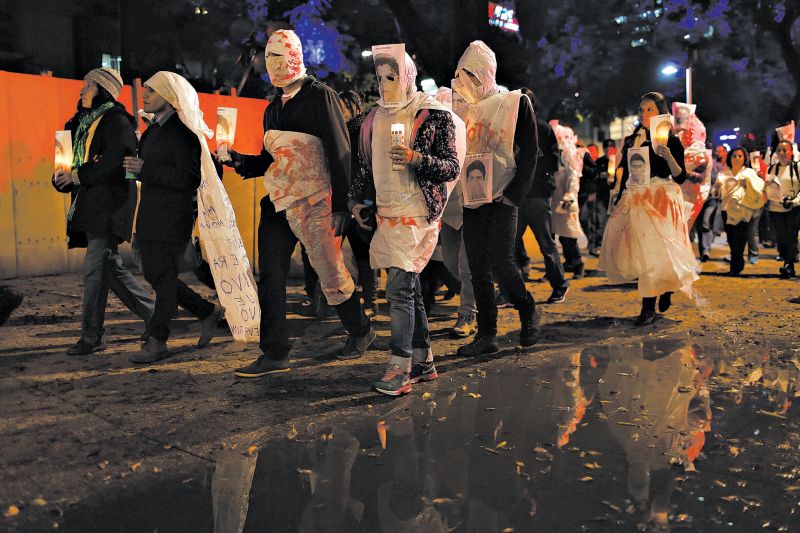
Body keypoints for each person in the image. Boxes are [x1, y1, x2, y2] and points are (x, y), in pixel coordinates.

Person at [223, 30, 374, 377]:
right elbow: (269, 158)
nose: (272, 63)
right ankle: (275, 352)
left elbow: (340, 152)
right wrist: (240, 161)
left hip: (316, 201)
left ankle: (361, 330)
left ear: (294, 55)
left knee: (330, 272)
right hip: (277, 203)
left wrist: (341, 205)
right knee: (271, 276)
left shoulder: (321, 97)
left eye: (279, 55)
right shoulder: (272, 108)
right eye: (268, 56)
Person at [350, 51, 463, 396]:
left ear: (408, 77)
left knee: (398, 288)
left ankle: (400, 368)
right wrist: (355, 200)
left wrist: (416, 158)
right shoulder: (372, 119)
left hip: (417, 215)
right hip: (386, 215)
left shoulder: (432, 114)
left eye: (392, 77)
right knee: (408, 288)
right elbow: (367, 166)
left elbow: (451, 167)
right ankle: (424, 360)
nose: (385, 85)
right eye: (380, 77)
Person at [51, 67, 155, 355]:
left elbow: (113, 164)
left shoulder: (117, 122)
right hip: (89, 203)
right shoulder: (79, 122)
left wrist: (78, 175)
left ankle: (92, 336)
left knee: (94, 271)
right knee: (111, 269)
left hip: (111, 205)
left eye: (88, 86)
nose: (82, 91)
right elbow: (70, 162)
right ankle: (156, 317)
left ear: (103, 90)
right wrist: (62, 177)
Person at [122, 71, 224, 363]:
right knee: (156, 275)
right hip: (150, 212)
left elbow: (190, 177)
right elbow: (148, 169)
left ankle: (157, 340)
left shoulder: (183, 132)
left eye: (152, 91)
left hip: (172, 215)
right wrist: (132, 168)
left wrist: (146, 170)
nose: (145, 95)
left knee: (163, 278)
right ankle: (207, 311)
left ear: (168, 96)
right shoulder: (153, 130)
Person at [451, 40, 540, 356]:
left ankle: (526, 308)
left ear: (487, 73)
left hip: (503, 196)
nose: (469, 82)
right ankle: (487, 334)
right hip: (473, 197)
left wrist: (514, 196)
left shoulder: (515, 103)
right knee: (477, 269)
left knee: (502, 262)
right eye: (465, 75)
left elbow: (530, 152)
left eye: (474, 75)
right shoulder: (460, 106)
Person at [599, 92, 698, 326]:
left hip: (661, 200)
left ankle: (661, 294)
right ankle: (648, 305)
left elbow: (680, 176)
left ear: (661, 113)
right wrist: (620, 193)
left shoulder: (670, 141)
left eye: (649, 109)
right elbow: (625, 170)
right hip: (636, 199)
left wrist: (669, 156)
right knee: (643, 253)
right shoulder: (633, 139)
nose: (644, 114)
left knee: (661, 251)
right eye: (642, 109)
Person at [515, 88, 570, 303]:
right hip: (519, 195)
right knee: (512, 244)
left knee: (545, 243)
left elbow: (554, 163)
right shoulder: (511, 129)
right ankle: (514, 289)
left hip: (536, 195)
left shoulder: (544, 130)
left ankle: (559, 285)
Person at [719, 147, 764, 276]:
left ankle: (735, 266)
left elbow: (758, 188)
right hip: (726, 210)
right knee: (731, 238)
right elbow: (718, 190)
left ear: (745, 158)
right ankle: (737, 262)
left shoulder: (749, 173)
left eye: (740, 156)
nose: (737, 158)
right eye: (734, 156)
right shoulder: (724, 173)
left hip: (743, 210)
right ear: (730, 158)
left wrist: (747, 184)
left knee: (740, 238)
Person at [550, 122, 586, 280]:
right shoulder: (554, 152)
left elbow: (573, 176)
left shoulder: (568, 153)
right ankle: (569, 262)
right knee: (560, 234)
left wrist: (569, 196)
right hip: (555, 197)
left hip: (565, 199)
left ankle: (578, 264)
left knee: (569, 234)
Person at [765, 140, 800, 278]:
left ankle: (788, 265)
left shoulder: (797, 167)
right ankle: (787, 262)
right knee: (781, 237)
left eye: (784, 150)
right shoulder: (771, 169)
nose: (781, 153)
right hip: (776, 209)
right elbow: (768, 189)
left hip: (795, 209)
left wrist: (794, 201)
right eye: (779, 150)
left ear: (791, 152)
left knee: (791, 237)